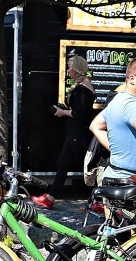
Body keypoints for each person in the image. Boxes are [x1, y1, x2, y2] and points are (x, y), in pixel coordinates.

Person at [32, 56, 96, 209]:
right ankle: (50, 197)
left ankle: (99, 200)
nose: (68, 70)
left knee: (88, 168)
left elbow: (78, 114)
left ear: (76, 69)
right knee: (64, 163)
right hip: (77, 132)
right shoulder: (86, 86)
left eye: (70, 67)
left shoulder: (82, 89)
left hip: (77, 133)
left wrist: (62, 111)